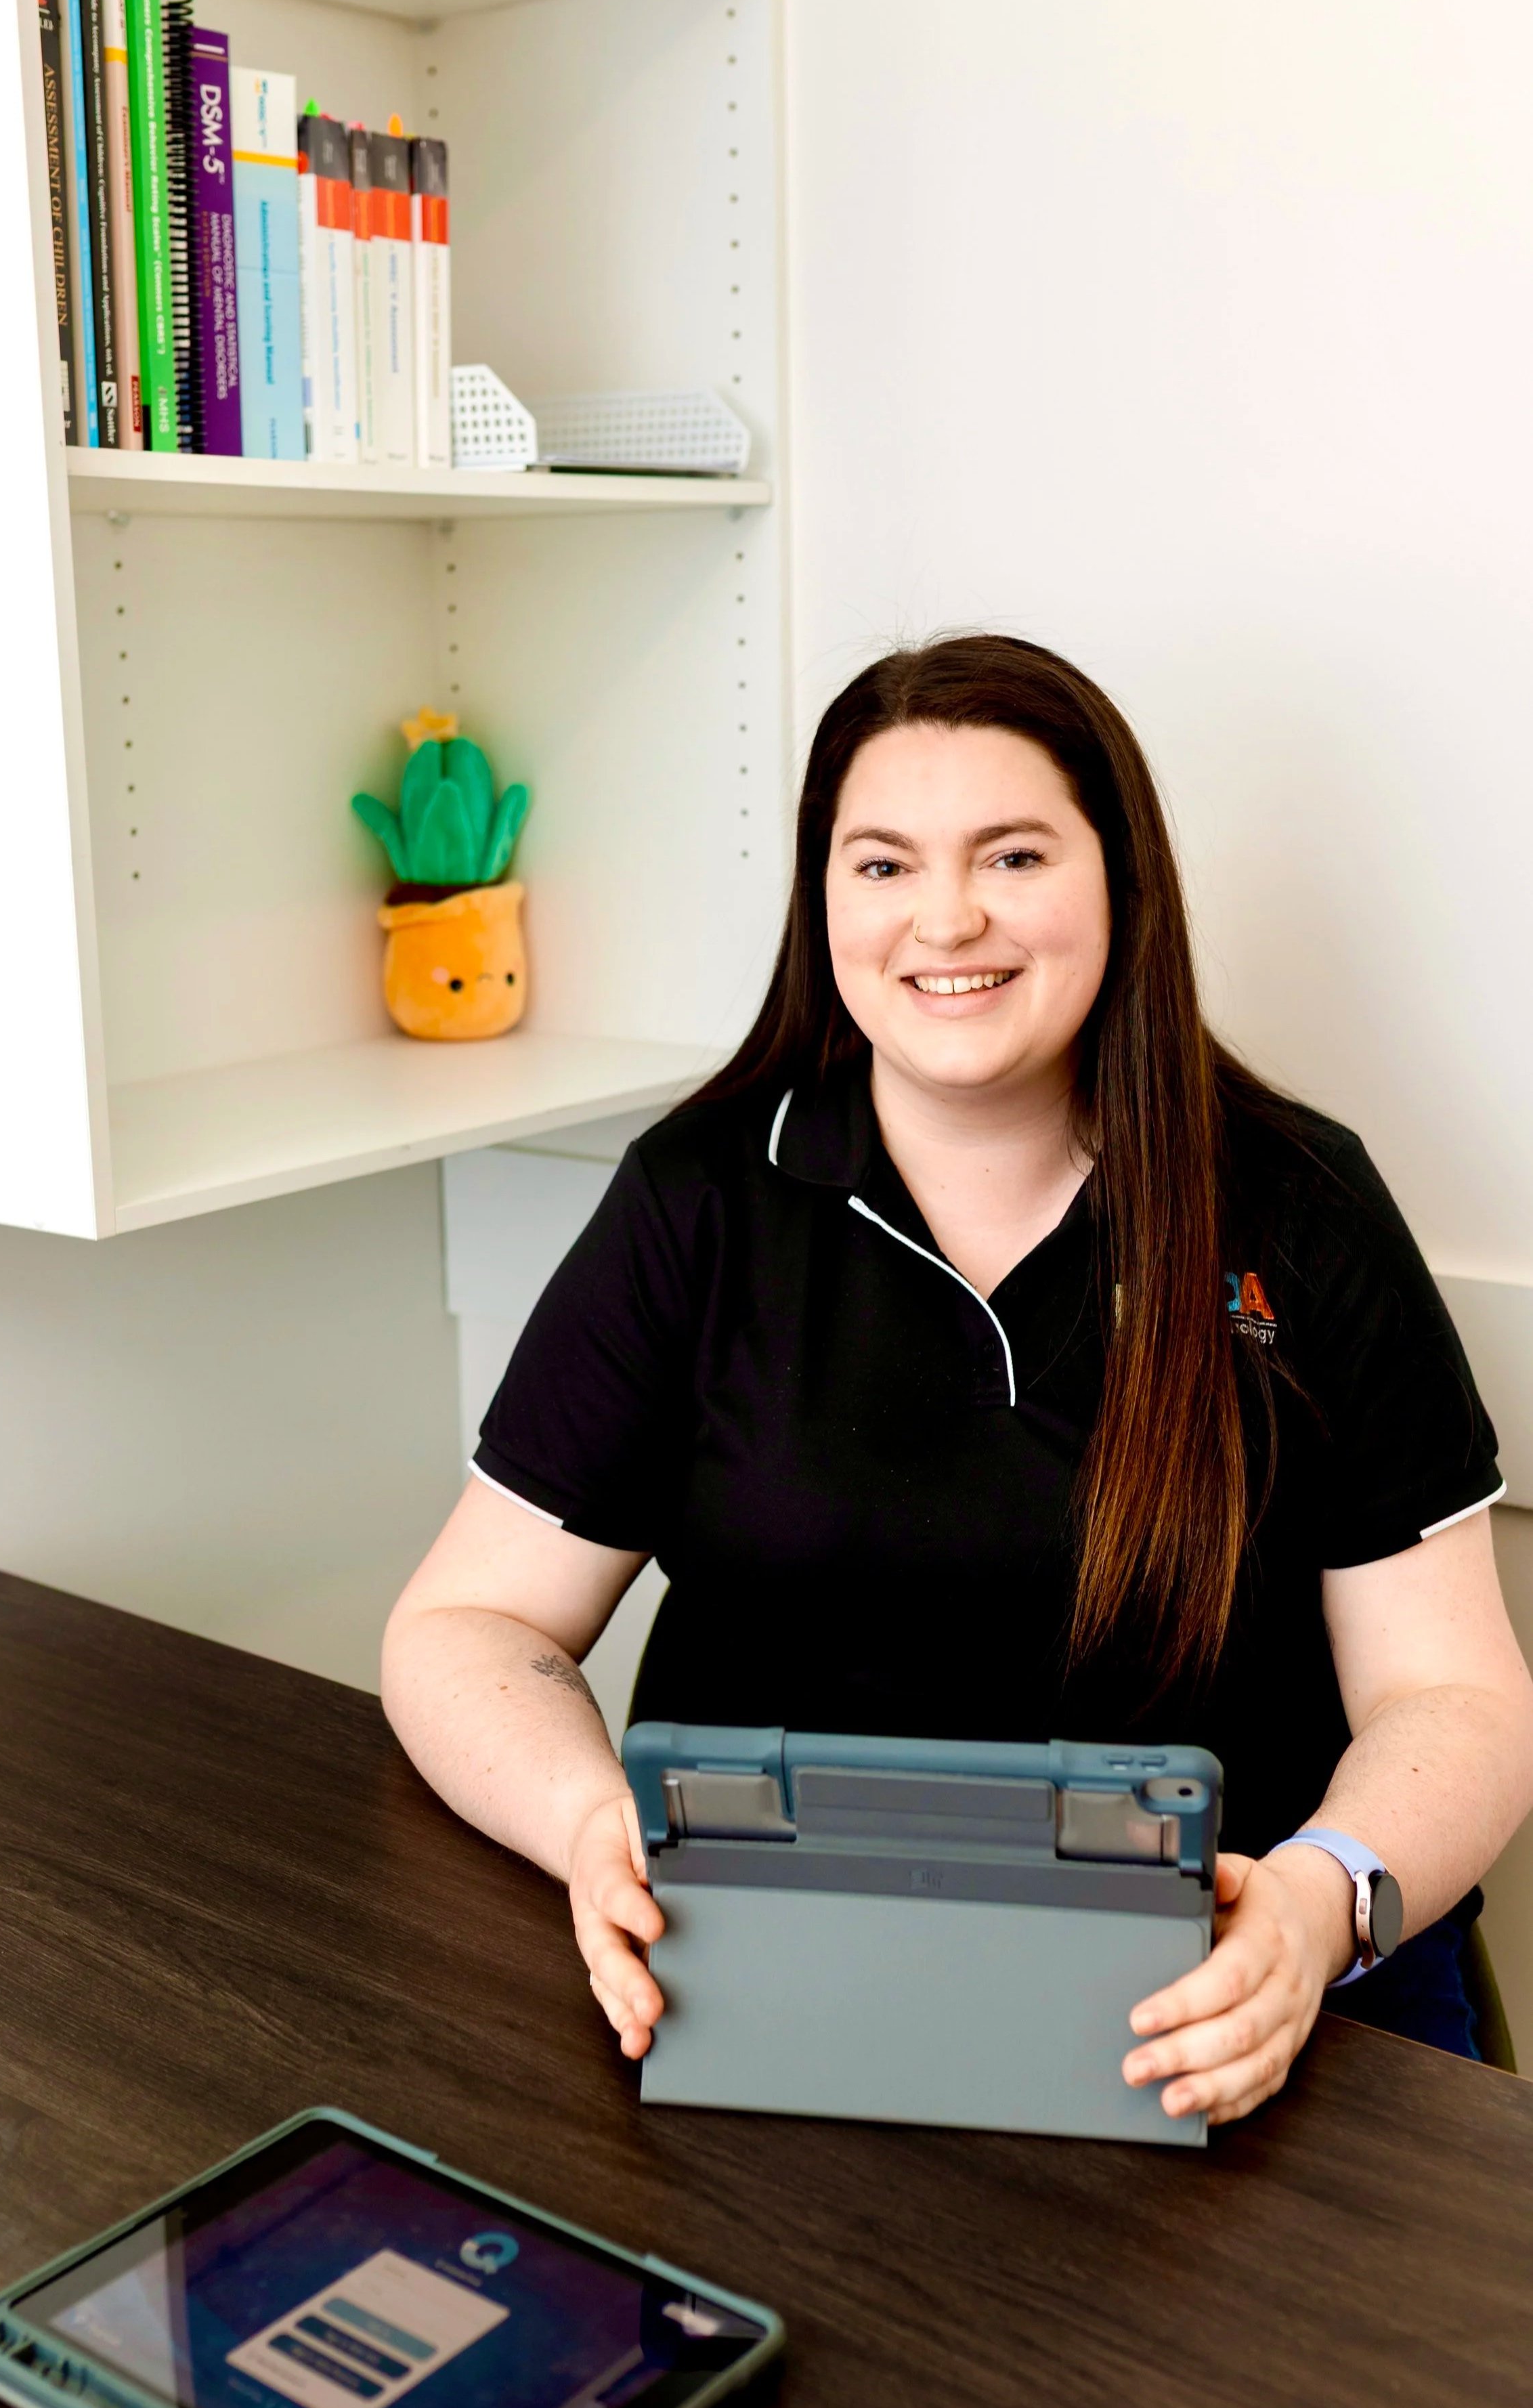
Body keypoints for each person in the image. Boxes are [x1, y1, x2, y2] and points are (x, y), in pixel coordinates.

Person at [382, 635, 1533, 2126]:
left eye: (1012, 855)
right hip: (783, 1976)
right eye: (882, 865)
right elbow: (466, 1625)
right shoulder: (702, 1197)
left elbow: (1454, 1695)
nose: (946, 919)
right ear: (825, 903)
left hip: (1233, 1994)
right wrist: (588, 1823)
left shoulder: (1298, 1204)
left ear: (1120, 882)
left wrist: (1323, 1904)